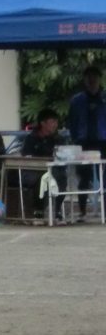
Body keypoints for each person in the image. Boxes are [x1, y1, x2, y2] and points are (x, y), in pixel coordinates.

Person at [67, 65, 106, 222]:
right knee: (84, 177)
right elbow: (71, 122)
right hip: (83, 142)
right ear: (85, 80)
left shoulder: (104, 98)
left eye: (94, 77)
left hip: (103, 141)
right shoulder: (77, 101)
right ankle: (82, 211)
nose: (92, 80)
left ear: (99, 79)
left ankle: (104, 211)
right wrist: (76, 139)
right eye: (89, 77)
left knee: (105, 177)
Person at [19, 108, 68, 222]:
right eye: (52, 122)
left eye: (56, 122)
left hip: (53, 169)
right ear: (43, 123)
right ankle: (38, 211)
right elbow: (26, 156)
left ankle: (56, 209)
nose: (55, 125)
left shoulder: (58, 139)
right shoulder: (31, 139)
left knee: (61, 176)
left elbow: (63, 155)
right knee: (42, 178)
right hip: (33, 171)